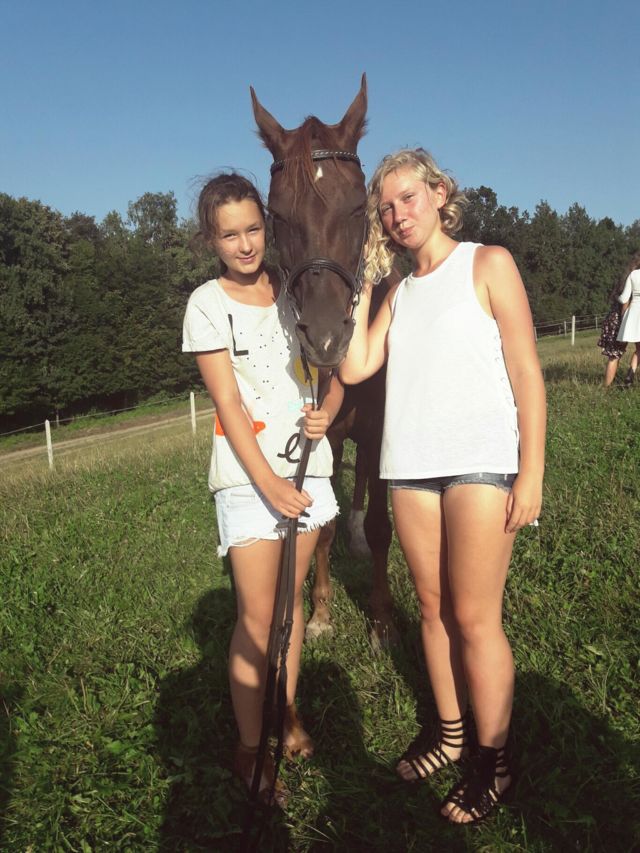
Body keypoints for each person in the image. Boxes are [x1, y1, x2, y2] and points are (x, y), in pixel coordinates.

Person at [340, 149, 546, 824]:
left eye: (408, 197)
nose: (398, 214)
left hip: (479, 465)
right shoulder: (399, 293)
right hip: (408, 468)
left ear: (438, 192)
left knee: (476, 617)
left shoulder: (488, 263)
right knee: (432, 611)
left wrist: (532, 470)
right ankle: (451, 735)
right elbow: (355, 363)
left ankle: (494, 760)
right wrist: (361, 282)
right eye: (386, 208)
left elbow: (526, 370)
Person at [182, 173, 343, 805]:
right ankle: (251, 747)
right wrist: (270, 484)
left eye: (253, 229)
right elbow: (226, 400)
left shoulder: (297, 289)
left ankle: (286, 713)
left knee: (290, 609)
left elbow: (332, 367)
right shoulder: (206, 304)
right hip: (252, 481)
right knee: (257, 619)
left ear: (267, 227)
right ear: (211, 240)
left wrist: (328, 411)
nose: (245, 244)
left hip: (308, 473)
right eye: (230, 235)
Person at [615, 252, 640, 386]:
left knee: (639, 348)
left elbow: (624, 298)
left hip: (635, 314)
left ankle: (630, 376)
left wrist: (615, 297)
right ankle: (630, 375)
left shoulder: (633, 274)